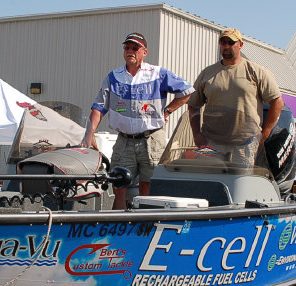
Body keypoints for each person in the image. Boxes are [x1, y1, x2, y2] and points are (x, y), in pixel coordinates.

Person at [82, 32, 194, 209]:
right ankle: (117, 224)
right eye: (127, 47)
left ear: (144, 52)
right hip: (124, 140)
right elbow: (98, 107)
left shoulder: (158, 73)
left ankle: (145, 224)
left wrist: (167, 111)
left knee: (148, 186)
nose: (130, 51)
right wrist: (88, 136)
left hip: (152, 139)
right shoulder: (113, 77)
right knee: (118, 185)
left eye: (135, 48)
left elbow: (187, 91)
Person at [188, 28, 284, 165]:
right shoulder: (207, 73)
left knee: (240, 178)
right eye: (223, 42)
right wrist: (197, 135)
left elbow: (277, 102)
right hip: (209, 144)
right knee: (207, 175)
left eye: (231, 42)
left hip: (245, 145)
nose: (226, 46)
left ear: (240, 45)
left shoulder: (256, 71)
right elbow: (193, 105)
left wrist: (265, 133)